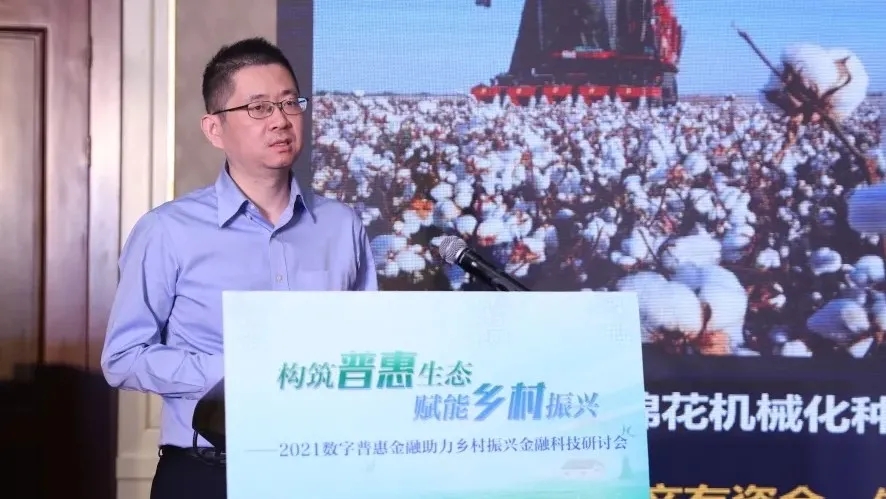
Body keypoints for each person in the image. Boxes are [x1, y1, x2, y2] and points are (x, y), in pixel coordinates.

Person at [100, 37, 377, 499]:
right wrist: (237, 371)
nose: (280, 120)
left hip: (321, 468)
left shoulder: (341, 225)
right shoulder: (168, 230)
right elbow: (123, 358)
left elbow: (368, 343)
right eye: (259, 108)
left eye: (290, 103)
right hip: (208, 472)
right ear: (214, 129)